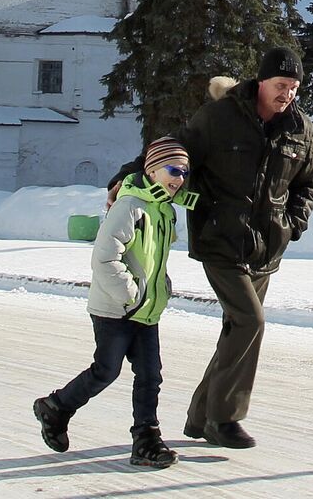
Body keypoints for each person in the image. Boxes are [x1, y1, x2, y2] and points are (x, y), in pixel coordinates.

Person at [177, 46, 313, 450]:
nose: (287, 95)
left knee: (235, 330)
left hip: (266, 248)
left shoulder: (300, 128)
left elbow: (309, 181)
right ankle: (224, 420)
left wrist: (294, 222)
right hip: (220, 237)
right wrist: (126, 178)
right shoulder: (219, 118)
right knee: (249, 323)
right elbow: (177, 149)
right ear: (261, 82)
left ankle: (199, 416)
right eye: (280, 86)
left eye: (294, 87)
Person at [34, 138, 195, 469]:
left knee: (151, 375)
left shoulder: (165, 209)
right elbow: (105, 258)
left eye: (184, 172)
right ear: (151, 169)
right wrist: (130, 293)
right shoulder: (130, 206)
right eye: (173, 170)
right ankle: (57, 406)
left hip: (146, 310)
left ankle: (146, 441)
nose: (179, 178)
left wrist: (158, 289)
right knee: (106, 371)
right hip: (115, 308)